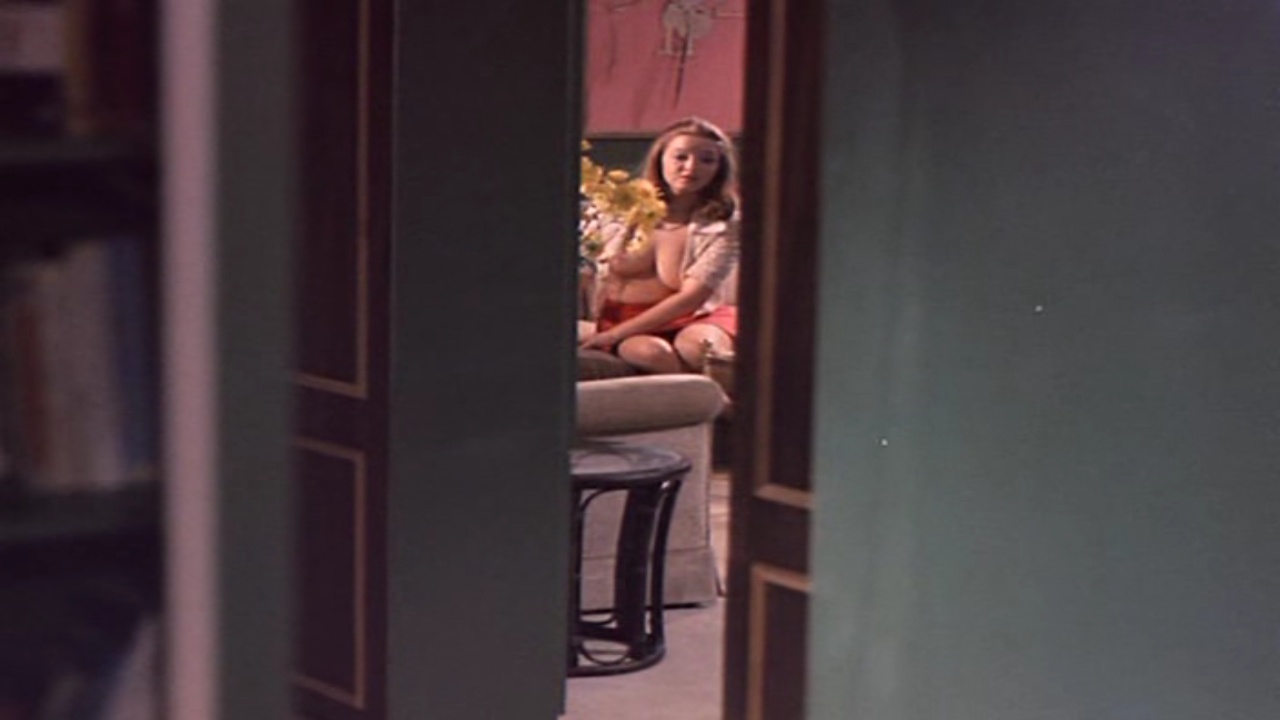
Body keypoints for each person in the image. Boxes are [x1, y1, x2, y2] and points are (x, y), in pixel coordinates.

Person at [580, 116, 740, 374]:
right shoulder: (618, 210)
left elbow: (691, 298)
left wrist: (611, 337)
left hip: (696, 316)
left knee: (699, 347)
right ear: (660, 159)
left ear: (719, 169)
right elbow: (584, 268)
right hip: (625, 319)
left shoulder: (723, 225)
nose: (691, 167)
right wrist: (612, 332)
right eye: (680, 157)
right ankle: (709, 397)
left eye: (707, 160)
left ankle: (720, 395)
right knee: (651, 353)